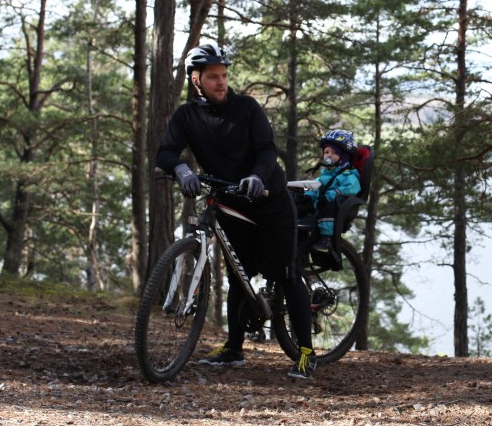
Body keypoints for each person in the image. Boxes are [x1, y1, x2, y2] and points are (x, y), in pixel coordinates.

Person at [155, 43, 317, 379]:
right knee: (237, 277)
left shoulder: (246, 108)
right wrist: (181, 169)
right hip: (230, 201)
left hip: (269, 200)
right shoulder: (186, 116)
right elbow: (165, 152)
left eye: (224, 75)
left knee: (286, 274)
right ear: (196, 80)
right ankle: (234, 348)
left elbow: (267, 149)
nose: (221, 82)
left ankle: (306, 353)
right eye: (213, 76)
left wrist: (257, 175)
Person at [304, 129, 362, 255]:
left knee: (328, 208)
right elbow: (315, 187)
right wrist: (307, 196)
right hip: (319, 205)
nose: (328, 155)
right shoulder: (325, 175)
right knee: (299, 206)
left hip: (336, 206)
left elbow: (351, 188)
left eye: (333, 152)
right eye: (326, 152)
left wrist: (329, 196)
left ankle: (327, 239)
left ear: (344, 156)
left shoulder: (349, 176)